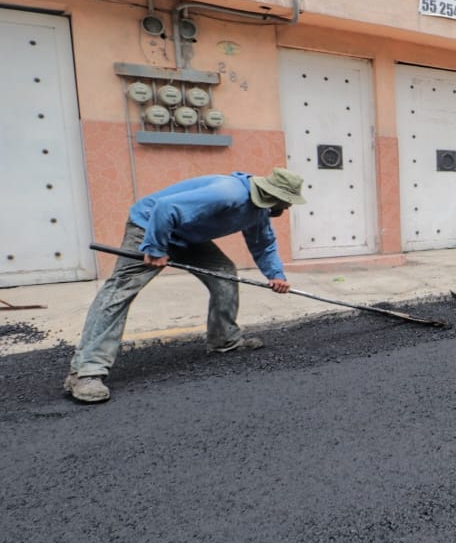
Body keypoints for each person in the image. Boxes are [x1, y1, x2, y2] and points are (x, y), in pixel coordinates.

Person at [63, 168, 307, 404]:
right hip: (149, 227)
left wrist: (276, 275)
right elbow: (165, 208)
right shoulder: (228, 192)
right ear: (273, 196)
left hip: (187, 237)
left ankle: (225, 340)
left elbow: (263, 244)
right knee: (120, 291)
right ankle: (85, 372)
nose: (287, 208)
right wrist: (156, 247)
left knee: (224, 274)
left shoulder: (258, 211)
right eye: (287, 202)